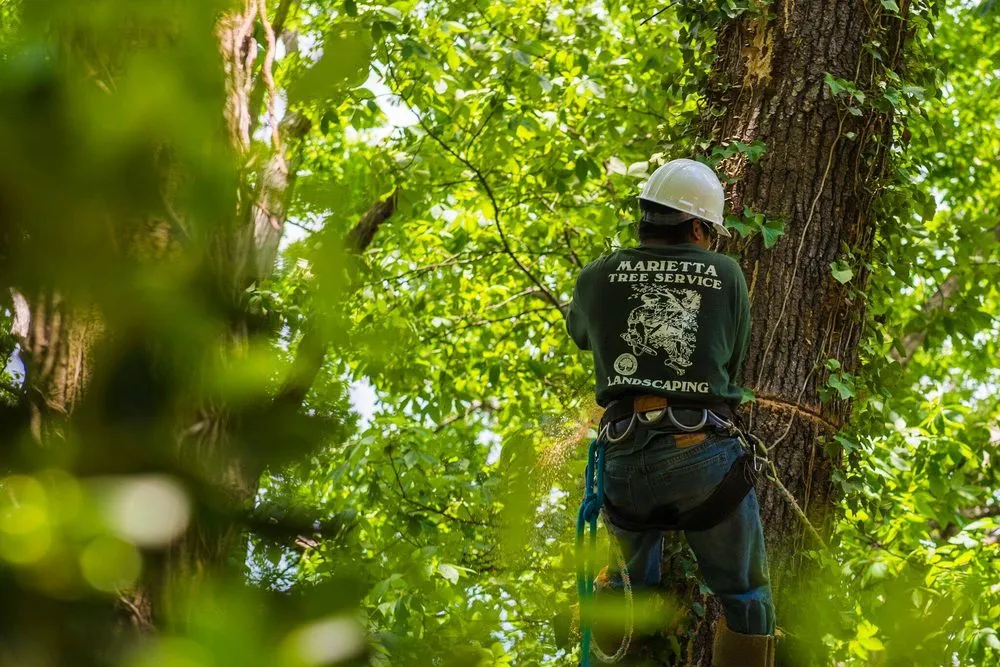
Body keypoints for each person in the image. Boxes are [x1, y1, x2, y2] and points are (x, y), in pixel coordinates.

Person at [566, 159, 776, 666]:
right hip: (699, 452)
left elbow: (579, 334)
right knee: (746, 595)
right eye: (711, 233)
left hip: (624, 462)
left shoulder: (597, 274)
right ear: (699, 226)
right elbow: (733, 355)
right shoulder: (724, 272)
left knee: (635, 599)